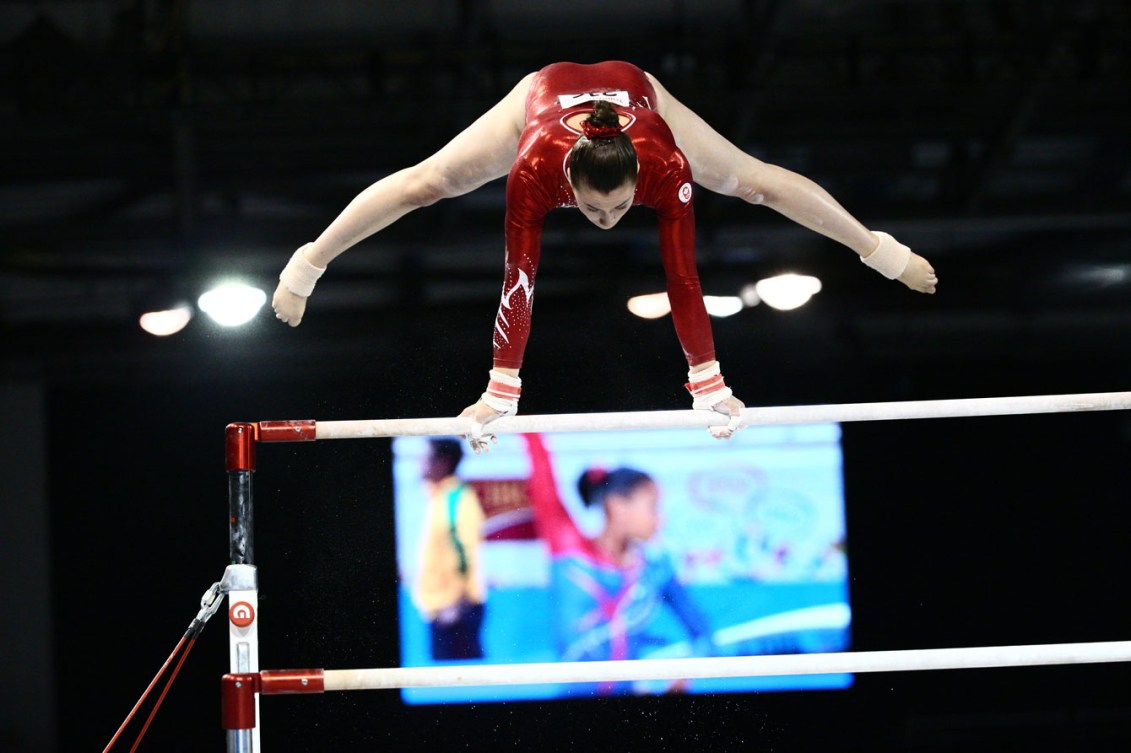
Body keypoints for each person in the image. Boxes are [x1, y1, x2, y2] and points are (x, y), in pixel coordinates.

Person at [272, 61, 938, 449]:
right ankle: (309, 260)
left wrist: (707, 383)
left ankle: (876, 248)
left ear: (637, 185)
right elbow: (518, 279)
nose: (605, 221)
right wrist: (500, 391)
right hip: (544, 93)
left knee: (753, 180)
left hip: (635, 89)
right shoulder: (533, 170)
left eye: (617, 209)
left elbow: (683, 276)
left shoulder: (663, 166)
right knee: (429, 183)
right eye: (592, 210)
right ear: (569, 183)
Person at [523, 433, 713, 694]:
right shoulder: (568, 548)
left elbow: (702, 631)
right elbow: (543, 481)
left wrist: (685, 675)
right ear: (617, 506)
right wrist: (530, 428)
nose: (660, 520)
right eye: (653, 507)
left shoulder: (655, 569)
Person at [413, 437, 487, 660]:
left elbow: (466, 551)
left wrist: (457, 602)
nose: (420, 462)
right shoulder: (438, 496)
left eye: (425, 457)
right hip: (441, 607)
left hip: (456, 609)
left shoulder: (457, 498)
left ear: (443, 462)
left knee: (463, 686)